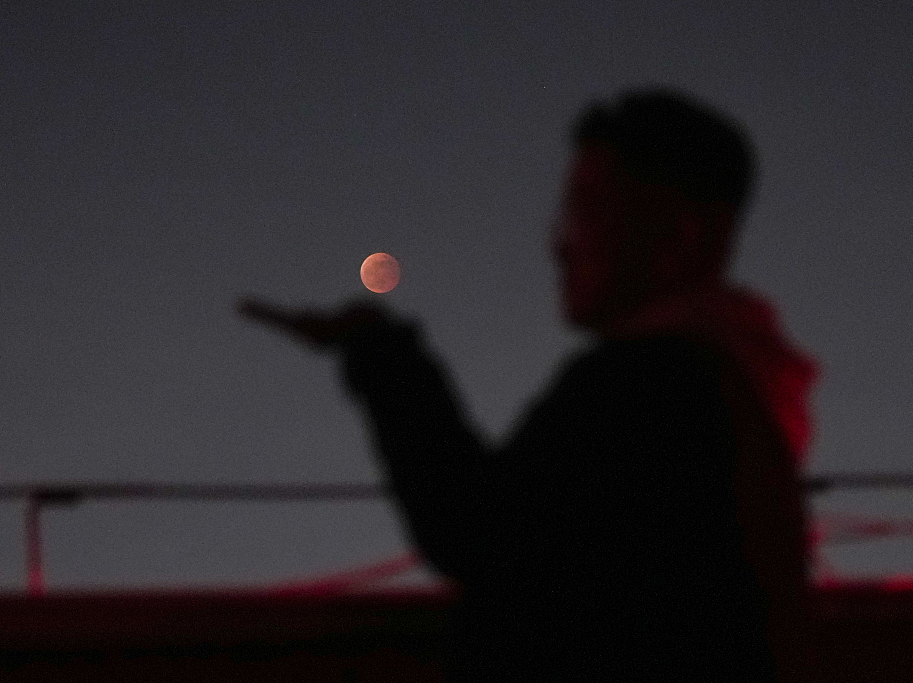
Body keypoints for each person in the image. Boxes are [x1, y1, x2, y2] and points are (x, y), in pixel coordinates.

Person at [238, 87, 821, 682]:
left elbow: (478, 531)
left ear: (676, 235)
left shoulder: (652, 388)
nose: (559, 245)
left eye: (587, 209)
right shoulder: (735, 396)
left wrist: (381, 355)